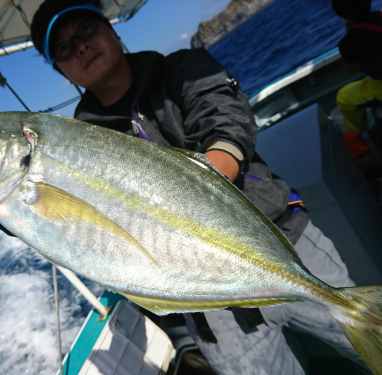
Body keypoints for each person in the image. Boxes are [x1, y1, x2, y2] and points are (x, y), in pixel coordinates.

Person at [30, 2, 365, 373]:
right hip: (205, 301)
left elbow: (225, 116)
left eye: (86, 29)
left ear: (111, 30)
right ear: (63, 70)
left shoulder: (181, 68)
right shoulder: (80, 144)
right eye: (62, 48)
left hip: (284, 242)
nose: (79, 46)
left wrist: (207, 180)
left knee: (368, 335)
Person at [333, 0, 382, 131]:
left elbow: (352, 71)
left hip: (379, 87)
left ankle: (362, 138)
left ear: (344, 16)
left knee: (343, 98)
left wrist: (349, 33)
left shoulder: (348, 42)